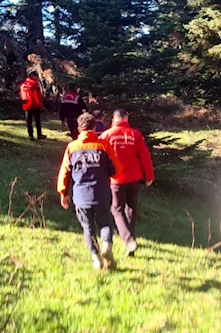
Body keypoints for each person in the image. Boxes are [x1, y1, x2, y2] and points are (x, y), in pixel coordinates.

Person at [57, 113, 123, 270]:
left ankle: (96, 258)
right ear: (94, 127)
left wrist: (63, 193)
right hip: (101, 194)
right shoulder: (104, 145)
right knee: (105, 224)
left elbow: (64, 173)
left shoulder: (72, 147)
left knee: (88, 228)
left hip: (81, 196)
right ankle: (107, 246)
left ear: (79, 129)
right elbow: (117, 170)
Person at [100, 108, 154, 256]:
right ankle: (130, 242)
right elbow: (145, 157)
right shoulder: (135, 135)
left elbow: (101, 159)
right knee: (131, 209)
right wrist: (149, 176)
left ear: (113, 119)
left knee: (116, 209)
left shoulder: (106, 135)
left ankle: (129, 241)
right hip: (134, 178)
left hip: (116, 179)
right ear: (127, 119)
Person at [19, 72, 46, 141]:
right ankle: (39, 134)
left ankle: (30, 135)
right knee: (37, 120)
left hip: (26, 105)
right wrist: (41, 105)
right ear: (33, 76)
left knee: (29, 121)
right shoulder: (34, 84)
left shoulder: (23, 85)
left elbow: (22, 95)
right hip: (34, 105)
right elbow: (37, 96)